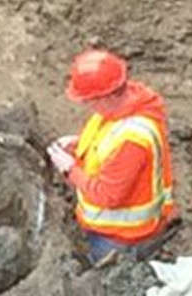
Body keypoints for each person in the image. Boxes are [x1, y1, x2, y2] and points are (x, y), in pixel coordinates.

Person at [47, 49, 176, 264]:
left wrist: (70, 169)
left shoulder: (131, 140)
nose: (87, 106)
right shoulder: (127, 107)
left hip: (122, 238)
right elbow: (109, 145)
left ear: (106, 96)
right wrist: (80, 145)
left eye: (89, 100)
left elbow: (107, 196)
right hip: (118, 233)